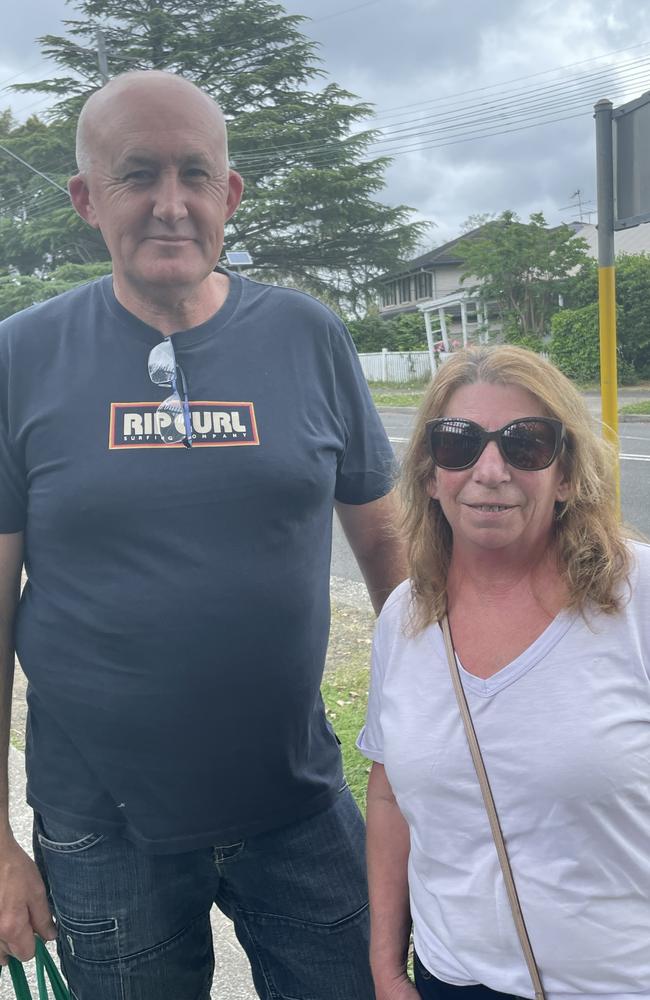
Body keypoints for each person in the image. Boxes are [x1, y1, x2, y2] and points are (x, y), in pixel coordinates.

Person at [0, 70, 407, 1000]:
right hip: (103, 830)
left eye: (195, 175)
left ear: (230, 196)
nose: (170, 204)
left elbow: (392, 560)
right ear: (85, 201)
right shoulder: (19, 359)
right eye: (137, 175)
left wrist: (430, 760)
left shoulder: (310, 337)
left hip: (300, 802)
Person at [358, 345, 650, 1000]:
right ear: (431, 474)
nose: (490, 470)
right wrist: (385, 968)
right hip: (450, 980)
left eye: (526, 443)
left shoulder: (638, 600)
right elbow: (388, 794)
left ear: (568, 474)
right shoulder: (406, 617)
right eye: (459, 443)